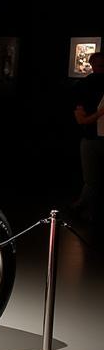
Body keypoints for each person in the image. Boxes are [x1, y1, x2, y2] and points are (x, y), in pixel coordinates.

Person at [73, 51, 104, 222]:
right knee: (92, 180)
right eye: (100, 66)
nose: (102, 70)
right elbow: (81, 120)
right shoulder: (84, 86)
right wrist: (100, 113)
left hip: (92, 139)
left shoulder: (83, 85)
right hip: (91, 139)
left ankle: (80, 207)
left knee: (92, 181)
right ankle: (85, 210)